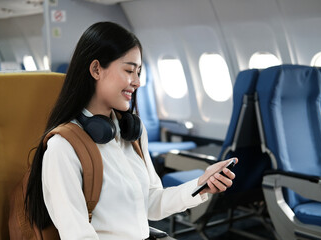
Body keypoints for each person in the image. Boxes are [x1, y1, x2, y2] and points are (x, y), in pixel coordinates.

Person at [25, 21, 237, 240]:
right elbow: (78, 235)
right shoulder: (63, 148)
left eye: (139, 72)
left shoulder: (132, 133)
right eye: (129, 70)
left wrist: (200, 186)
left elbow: (152, 202)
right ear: (96, 69)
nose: (137, 82)